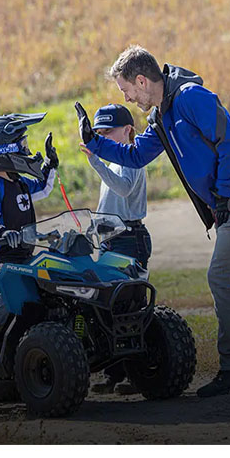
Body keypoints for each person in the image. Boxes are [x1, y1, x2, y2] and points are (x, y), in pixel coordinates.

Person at [75, 45, 230, 398]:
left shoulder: (191, 98)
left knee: (222, 277)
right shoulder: (162, 116)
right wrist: (94, 144)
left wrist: (223, 194)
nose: (127, 97)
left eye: (126, 90)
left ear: (142, 80)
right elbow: (135, 155)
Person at [0, 113, 59, 367]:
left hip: (24, 256)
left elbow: (43, 188)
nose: (26, 150)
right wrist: (3, 232)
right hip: (2, 258)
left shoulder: (18, 182)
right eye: (22, 146)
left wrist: (50, 164)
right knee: (13, 285)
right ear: (3, 152)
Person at [79, 103, 150, 395]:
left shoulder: (133, 159)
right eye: (99, 133)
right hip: (112, 239)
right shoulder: (113, 163)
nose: (103, 137)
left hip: (130, 239)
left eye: (108, 132)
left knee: (129, 309)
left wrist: (96, 161)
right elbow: (108, 206)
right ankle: (114, 372)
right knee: (106, 309)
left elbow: (122, 189)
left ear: (128, 130)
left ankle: (138, 373)